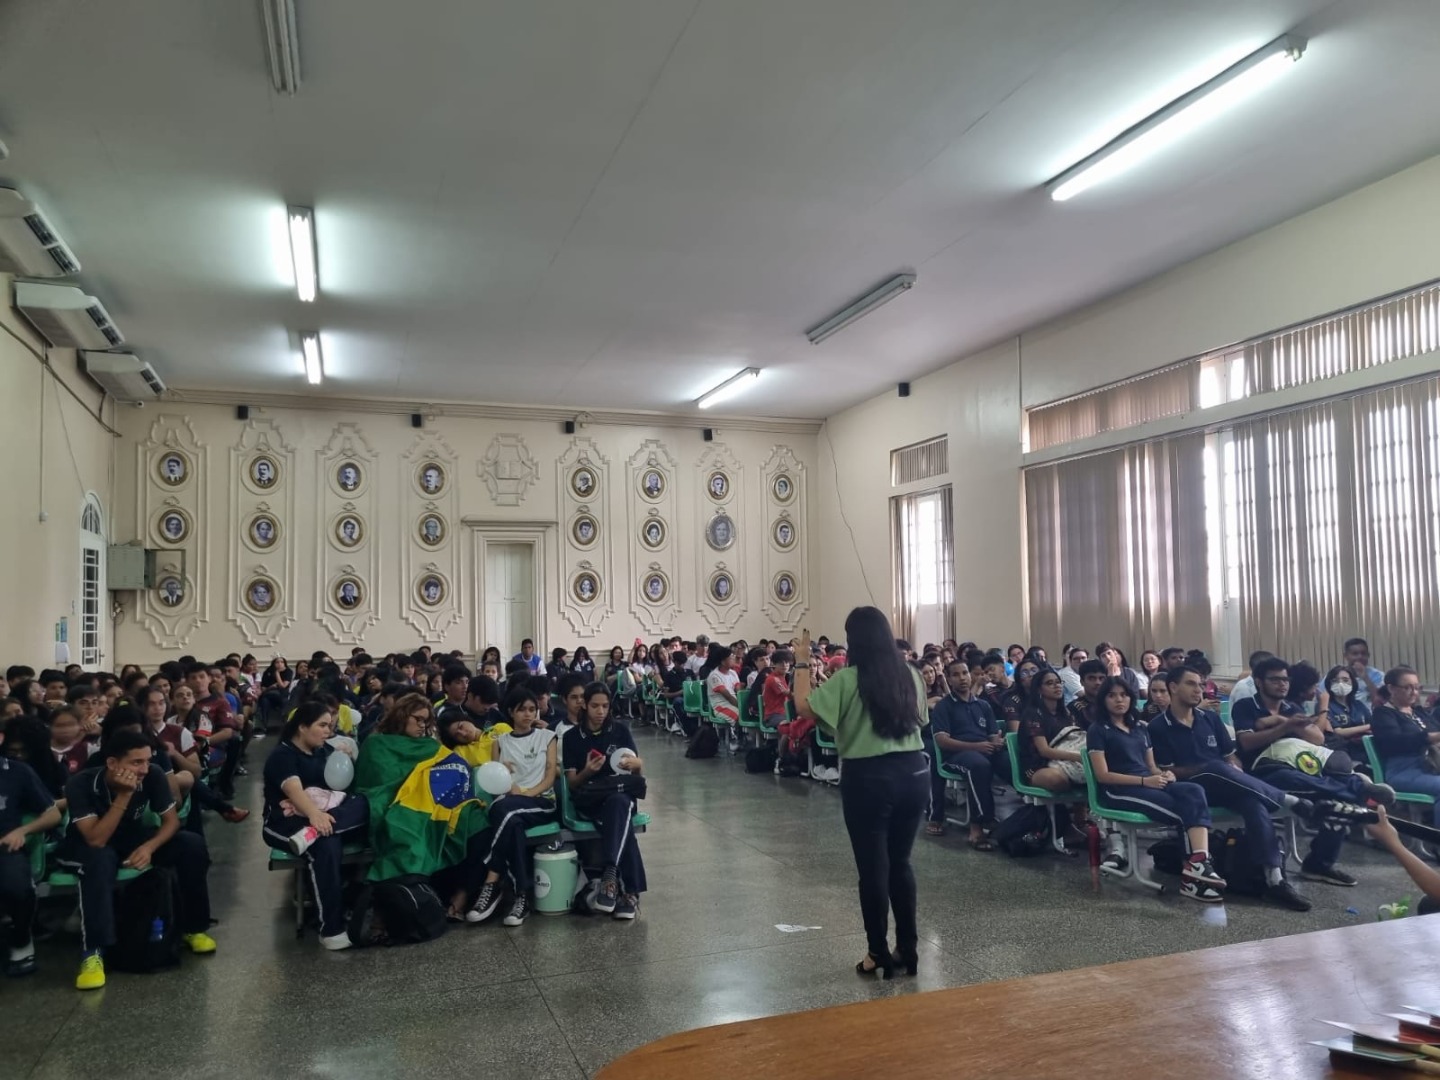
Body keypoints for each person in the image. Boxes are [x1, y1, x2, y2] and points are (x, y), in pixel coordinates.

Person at [795, 608, 929, 980]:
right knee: (900, 863)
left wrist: (802, 661)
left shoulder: (848, 679)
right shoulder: (912, 675)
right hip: (914, 772)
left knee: (873, 869)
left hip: (869, 777)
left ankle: (877, 952)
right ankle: (908, 949)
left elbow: (803, 707)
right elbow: (921, 721)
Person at [57, 730, 216, 989]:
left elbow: (171, 822)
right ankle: (93, 952)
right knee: (99, 862)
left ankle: (193, 927)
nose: (144, 769)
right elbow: (96, 839)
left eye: (147, 760)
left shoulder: (152, 774)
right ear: (112, 763)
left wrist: (149, 847)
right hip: (85, 844)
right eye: (136, 762)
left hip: (131, 837)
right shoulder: (80, 784)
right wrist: (124, 796)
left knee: (191, 845)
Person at [1148, 667, 1313, 910]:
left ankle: (1275, 879)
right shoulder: (1157, 727)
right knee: (1215, 767)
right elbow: (1168, 771)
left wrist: (1235, 768)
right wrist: (1213, 767)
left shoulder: (1209, 718)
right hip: (1191, 790)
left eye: (1200, 685)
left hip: (1224, 783)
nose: (1198, 690)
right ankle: (1288, 801)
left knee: (1253, 803)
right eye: (1191, 684)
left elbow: (1230, 756)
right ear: (1173, 687)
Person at [1231, 657, 1375, 887]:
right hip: (1265, 771)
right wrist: (1286, 726)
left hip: (1304, 766)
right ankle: (1354, 798)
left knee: (1342, 794)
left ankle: (1320, 861)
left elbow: (1317, 738)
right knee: (1337, 795)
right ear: (1259, 681)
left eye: (1285, 679)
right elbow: (1247, 743)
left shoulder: (1292, 707)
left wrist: (1284, 721)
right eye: (1275, 680)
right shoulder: (1246, 706)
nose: (1282, 684)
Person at [1085, 677, 1225, 903]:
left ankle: (1198, 863)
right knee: (1181, 812)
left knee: (1193, 790)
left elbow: (1151, 766)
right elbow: (1102, 775)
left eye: (1124, 695)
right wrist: (1144, 782)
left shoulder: (1140, 727)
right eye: (1112, 696)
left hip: (1148, 782)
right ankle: (1193, 876)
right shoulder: (1098, 730)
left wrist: (1164, 775)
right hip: (1118, 790)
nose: (1119, 700)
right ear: (1103, 700)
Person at [260, 702, 369, 950]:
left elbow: (340, 786)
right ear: (302, 727)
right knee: (326, 846)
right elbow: (293, 789)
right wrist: (313, 815)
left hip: (324, 818)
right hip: (285, 822)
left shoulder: (323, 752)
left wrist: (349, 760)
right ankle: (331, 929)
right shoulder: (282, 755)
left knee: (365, 803)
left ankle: (316, 832)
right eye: (322, 725)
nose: (328, 731)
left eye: (330, 726)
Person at [459, 687, 559, 927]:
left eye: (532, 709)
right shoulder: (500, 742)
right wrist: (508, 784)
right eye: (522, 710)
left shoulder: (548, 737)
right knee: (511, 822)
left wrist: (526, 792)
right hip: (509, 804)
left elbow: (549, 776)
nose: (528, 714)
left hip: (541, 801)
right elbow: (496, 780)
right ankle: (522, 897)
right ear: (511, 712)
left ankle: (491, 880)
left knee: (503, 812)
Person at [562, 684, 646, 920]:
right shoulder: (571, 737)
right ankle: (629, 892)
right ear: (585, 705)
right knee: (622, 820)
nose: (600, 711)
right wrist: (588, 771)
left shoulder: (620, 731)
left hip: (620, 796)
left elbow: (635, 777)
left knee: (619, 803)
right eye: (595, 706)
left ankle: (610, 876)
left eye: (605, 706)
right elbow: (572, 784)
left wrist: (638, 765)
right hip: (591, 800)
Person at [0, 718, 63, 976]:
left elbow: (52, 814)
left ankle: (21, 939)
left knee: (17, 885)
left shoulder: (17, 772)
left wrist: (22, 831)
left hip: (6, 846)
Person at [927, 660, 1005, 848]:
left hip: (984, 750)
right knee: (978, 765)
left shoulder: (983, 705)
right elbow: (942, 741)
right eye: (956, 674)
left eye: (965, 673)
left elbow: (992, 735)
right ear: (948, 679)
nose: (962, 678)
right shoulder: (944, 706)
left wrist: (997, 741)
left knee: (1009, 762)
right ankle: (977, 828)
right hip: (955, 756)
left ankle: (1035, 822)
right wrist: (976, 747)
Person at [1369, 666, 1440, 825]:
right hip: (1403, 770)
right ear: (1391, 688)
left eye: (1416, 687)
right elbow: (1394, 743)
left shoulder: (1417, 712)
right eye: (1408, 687)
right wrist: (1430, 737)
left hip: (1431, 765)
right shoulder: (1382, 714)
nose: (1414, 692)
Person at [1322, 665, 1373, 751]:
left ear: (1353, 682)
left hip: (1364, 748)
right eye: (1335, 680)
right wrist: (1368, 727)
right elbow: (1338, 732)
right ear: (1329, 684)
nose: (1340, 684)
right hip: (1341, 750)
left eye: (1345, 680)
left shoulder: (1359, 705)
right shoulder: (1326, 706)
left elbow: (1372, 723)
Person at [700, 643, 741, 748]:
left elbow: (739, 690)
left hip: (734, 702)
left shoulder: (733, 673)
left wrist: (743, 704)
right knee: (739, 715)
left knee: (747, 713)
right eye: (730, 657)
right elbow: (727, 696)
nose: (733, 659)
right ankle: (734, 739)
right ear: (723, 661)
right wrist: (740, 706)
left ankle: (742, 738)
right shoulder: (714, 676)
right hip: (721, 706)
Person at [1342, 637, 1386, 706]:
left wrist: (1365, 677)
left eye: (1363, 653)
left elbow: (1380, 701)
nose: (1360, 657)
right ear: (1346, 656)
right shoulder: (1335, 675)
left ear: (1368, 655)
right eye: (1355, 654)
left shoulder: (1378, 675)